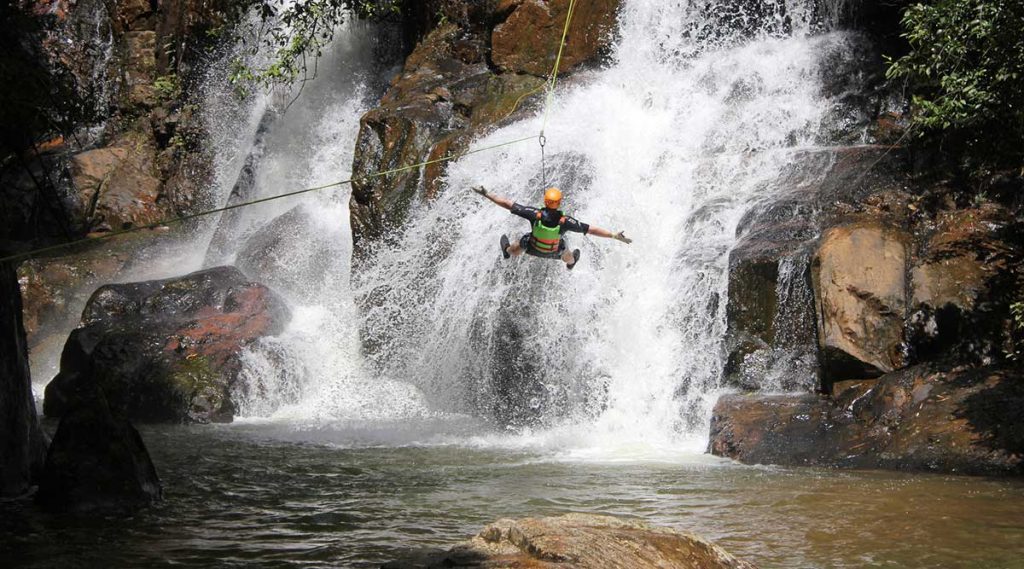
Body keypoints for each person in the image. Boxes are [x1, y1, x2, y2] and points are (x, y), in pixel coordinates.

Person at [473, 186, 632, 270]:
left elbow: (508, 204)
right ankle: (571, 262)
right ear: (559, 202)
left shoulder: (534, 214)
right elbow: (591, 229)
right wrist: (613, 235)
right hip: (553, 251)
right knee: (566, 252)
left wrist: (487, 194)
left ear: (545, 201)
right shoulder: (566, 221)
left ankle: (507, 251)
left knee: (519, 245)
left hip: (532, 247)